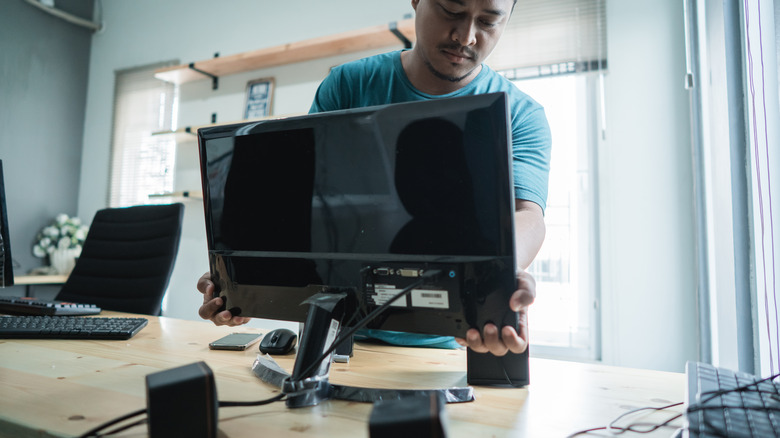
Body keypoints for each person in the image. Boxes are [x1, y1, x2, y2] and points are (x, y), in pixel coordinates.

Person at [197, 0, 550, 358]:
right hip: (340, 339)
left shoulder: (521, 114)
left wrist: (503, 273)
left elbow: (528, 215)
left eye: (489, 22)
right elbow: (296, 205)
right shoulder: (349, 85)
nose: (467, 36)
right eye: (451, 11)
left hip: (453, 344)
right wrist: (246, 283)